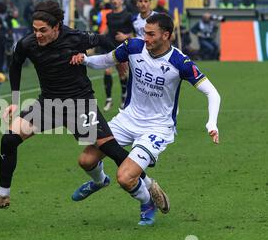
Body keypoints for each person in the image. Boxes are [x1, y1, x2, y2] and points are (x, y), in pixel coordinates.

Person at [0, 1, 165, 212]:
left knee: (108, 148)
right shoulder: (28, 44)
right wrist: (15, 101)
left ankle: (149, 185)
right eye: (35, 30)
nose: (38, 35)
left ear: (57, 27)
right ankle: (2, 195)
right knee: (9, 139)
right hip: (48, 104)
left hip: (79, 103)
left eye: (43, 30)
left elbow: (105, 40)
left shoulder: (76, 37)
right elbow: (15, 64)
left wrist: (120, 63)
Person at [69, 13, 220, 225]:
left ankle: (147, 202)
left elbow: (212, 93)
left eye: (151, 34)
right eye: (144, 33)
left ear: (166, 35)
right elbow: (105, 60)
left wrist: (211, 122)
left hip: (157, 128)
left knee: (125, 177)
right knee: (86, 160)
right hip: (127, 119)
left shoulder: (180, 62)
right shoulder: (133, 47)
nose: (145, 38)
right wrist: (84, 59)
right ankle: (100, 180)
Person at [102, 0, 134, 112]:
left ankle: (124, 96)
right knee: (107, 71)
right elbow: (108, 28)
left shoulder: (128, 15)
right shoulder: (109, 15)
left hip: (123, 47)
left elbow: (133, 32)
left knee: (122, 74)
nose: (115, 1)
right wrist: (99, 37)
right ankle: (109, 99)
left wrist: (125, 36)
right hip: (110, 46)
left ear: (122, 1)